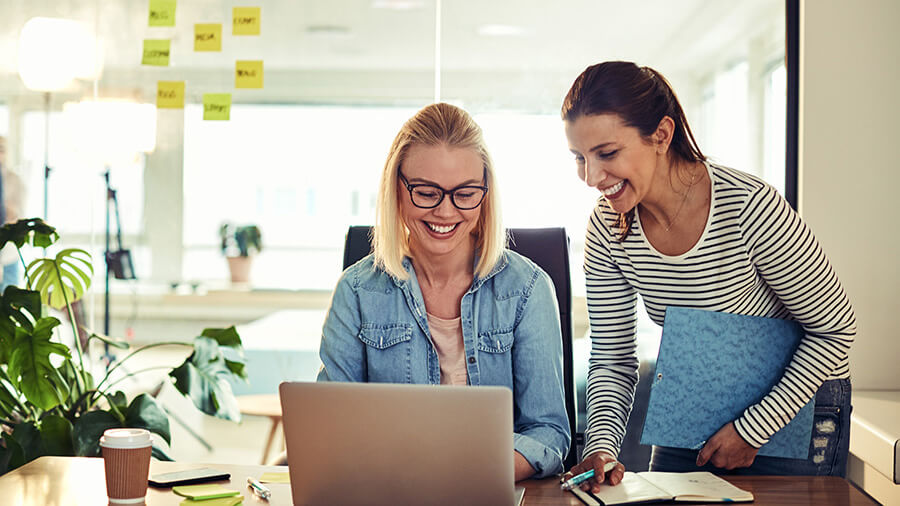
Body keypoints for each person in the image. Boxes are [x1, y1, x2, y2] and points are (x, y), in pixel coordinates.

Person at [560, 61, 856, 491]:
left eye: (607, 153)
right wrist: (601, 449)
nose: (591, 177)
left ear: (662, 135)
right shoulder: (607, 227)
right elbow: (612, 358)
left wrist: (752, 429)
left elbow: (835, 330)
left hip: (795, 411)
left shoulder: (749, 207)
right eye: (579, 158)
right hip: (693, 412)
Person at [317, 102, 571, 480]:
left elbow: (549, 434)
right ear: (397, 190)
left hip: (490, 487)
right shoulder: (356, 292)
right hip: (388, 491)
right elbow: (329, 429)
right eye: (426, 192)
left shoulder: (528, 290)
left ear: (485, 194)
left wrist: (467, 474)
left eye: (465, 193)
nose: (446, 212)